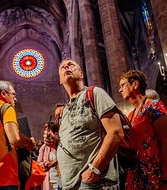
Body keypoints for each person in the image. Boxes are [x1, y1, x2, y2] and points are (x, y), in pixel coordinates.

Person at [45, 59, 124, 189]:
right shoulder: (64, 110)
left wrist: (94, 169)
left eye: (71, 65)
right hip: (70, 182)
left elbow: (115, 133)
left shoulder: (95, 94)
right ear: (60, 80)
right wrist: (56, 144)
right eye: (63, 67)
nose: (67, 67)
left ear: (81, 74)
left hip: (94, 182)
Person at [119, 70, 167, 189]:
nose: (120, 90)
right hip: (137, 174)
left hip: (155, 172)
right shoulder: (130, 115)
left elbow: (166, 142)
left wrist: (166, 179)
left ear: (135, 84)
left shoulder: (154, 106)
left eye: (123, 85)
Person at [38, 122, 61, 190]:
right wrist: (47, 164)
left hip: (60, 180)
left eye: (47, 130)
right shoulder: (44, 147)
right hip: (48, 181)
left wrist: (55, 162)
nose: (45, 133)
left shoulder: (60, 145)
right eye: (45, 130)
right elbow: (38, 164)